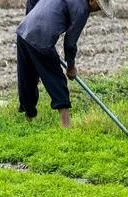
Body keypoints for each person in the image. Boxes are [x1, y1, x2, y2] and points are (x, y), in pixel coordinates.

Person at [16, 0, 113, 128]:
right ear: (92, 1)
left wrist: (31, 21)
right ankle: (66, 126)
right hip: (41, 39)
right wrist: (71, 67)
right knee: (57, 80)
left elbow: (32, 1)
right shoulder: (82, 9)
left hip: (23, 31)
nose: (97, 11)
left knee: (27, 78)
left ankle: (28, 120)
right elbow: (70, 42)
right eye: (98, 7)